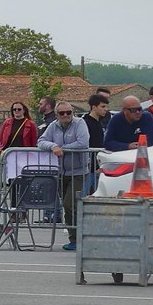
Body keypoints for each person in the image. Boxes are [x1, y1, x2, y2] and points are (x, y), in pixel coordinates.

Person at [38, 101, 90, 250]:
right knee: (68, 207)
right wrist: (52, 146)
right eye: (62, 113)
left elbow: (83, 143)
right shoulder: (53, 126)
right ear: (56, 115)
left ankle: (80, 238)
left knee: (70, 204)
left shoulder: (80, 123)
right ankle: (73, 239)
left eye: (69, 112)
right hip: (60, 172)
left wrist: (62, 148)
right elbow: (41, 141)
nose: (66, 115)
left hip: (79, 172)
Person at [81, 93, 110, 198]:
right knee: (83, 196)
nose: (105, 109)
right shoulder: (85, 123)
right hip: (89, 168)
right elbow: (88, 145)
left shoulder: (100, 123)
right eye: (102, 106)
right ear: (94, 107)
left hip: (97, 166)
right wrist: (95, 167)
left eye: (106, 107)